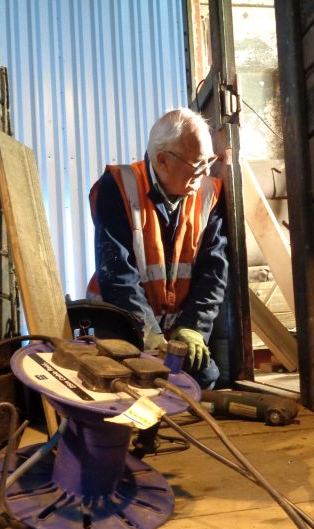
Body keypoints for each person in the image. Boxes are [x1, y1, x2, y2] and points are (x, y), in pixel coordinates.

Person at [86, 108, 228, 390]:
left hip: (177, 328)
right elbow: (117, 275)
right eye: (197, 165)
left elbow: (214, 271)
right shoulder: (117, 187)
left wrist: (193, 327)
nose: (205, 174)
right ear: (162, 159)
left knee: (205, 380)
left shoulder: (208, 194)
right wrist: (148, 333)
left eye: (209, 162)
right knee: (123, 385)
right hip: (123, 321)